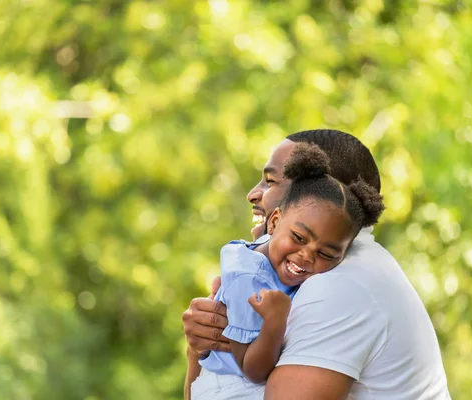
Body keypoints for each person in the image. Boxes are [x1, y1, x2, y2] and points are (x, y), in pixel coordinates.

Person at [183, 129, 451, 399]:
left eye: (271, 181)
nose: (253, 194)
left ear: (322, 192)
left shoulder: (339, 285)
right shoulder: (307, 271)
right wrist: (201, 351)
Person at [191, 143, 384, 399]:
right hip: (228, 387)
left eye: (326, 254)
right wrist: (274, 321)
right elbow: (253, 369)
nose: (306, 256)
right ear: (274, 221)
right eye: (299, 238)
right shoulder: (248, 279)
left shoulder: (282, 255)